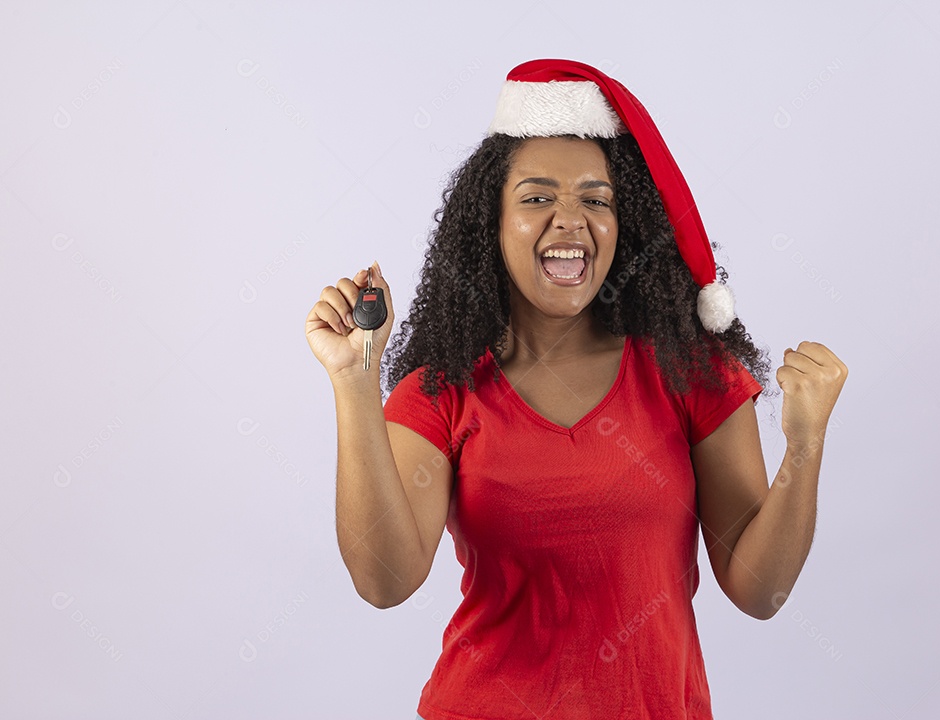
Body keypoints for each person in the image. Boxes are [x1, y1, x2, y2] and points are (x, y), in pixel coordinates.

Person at [305, 59, 847, 720]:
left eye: (596, 199)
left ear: (624, 226)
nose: (570, 219)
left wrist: (805, 447)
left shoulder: (686, 369)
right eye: (536, 198)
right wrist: (355, 380)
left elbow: (760, 591)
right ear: (492, 225)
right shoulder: (444, 387)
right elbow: (384, 581)